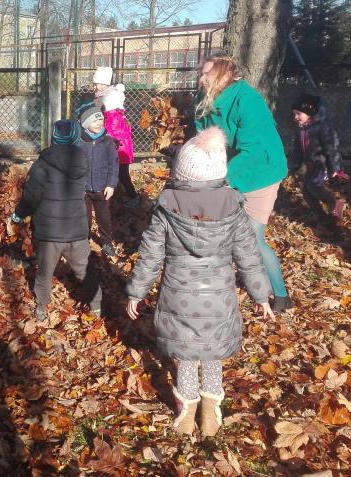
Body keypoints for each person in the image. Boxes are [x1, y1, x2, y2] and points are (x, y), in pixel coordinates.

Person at [125, 127, 274, 438]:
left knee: (187, 358)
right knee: (212, 355)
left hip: (178, 298)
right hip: (218, 300)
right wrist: (261, 295)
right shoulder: (234, 207)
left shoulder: (167, 207)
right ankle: (210, 415)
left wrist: (136, 292)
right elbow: (248, 255)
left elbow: (151, 255)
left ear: (181, 171)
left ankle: (186, 414)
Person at [194, 54, 293, 313]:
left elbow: (255, 151)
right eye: (201, 73)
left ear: (225, 75)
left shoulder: (248, 101)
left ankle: (281, 296)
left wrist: (220, 178)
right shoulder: (205, 100)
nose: (201, 78)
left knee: (251, 238)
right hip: (228, 171)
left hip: (261, 172)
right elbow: (204, 138)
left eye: (207, 74)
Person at [11, 120, 102, 322]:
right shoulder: (82, 160)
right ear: (76, 137)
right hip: (76, 230)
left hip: (49, 232)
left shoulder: (42, 164)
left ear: (53, 137)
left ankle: (41, 307)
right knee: (85, 270)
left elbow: (31, 196)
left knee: (44, 271)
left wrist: (18, 214)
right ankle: (96, 306)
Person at [288, 93, 349, 218]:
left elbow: (331, 148)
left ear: (309, 112)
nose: (295, 117)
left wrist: (335, 168)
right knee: (306, 191)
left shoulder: (322, 127)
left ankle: (335, 203)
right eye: (294, 114)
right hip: (310, 164)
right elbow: (297, 149)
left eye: (299, 113)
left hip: (322, 164)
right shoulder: (301, 129)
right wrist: (295, 165)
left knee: (313, 185)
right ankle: (319, 214)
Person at [79, 106, 119, 256]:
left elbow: (113, 164)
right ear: (85, 124)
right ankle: (83, 242)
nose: (99, 123)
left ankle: (107, 242)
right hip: (83, 189)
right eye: (95, 121)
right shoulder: (80, 142)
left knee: (104, 218)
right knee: (84, 219)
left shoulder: (107, 141)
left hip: (102, 188)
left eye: (101, 120)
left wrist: (111, 184)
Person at [101, 84, 140, 208]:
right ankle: (126, 196)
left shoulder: (112, 116)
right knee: (122, 175)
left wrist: (101, 136)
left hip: (119, 152)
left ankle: (133, 197)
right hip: (122, 151)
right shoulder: (117, 114)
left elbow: (110, 133)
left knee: (122, 176)